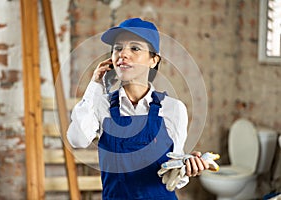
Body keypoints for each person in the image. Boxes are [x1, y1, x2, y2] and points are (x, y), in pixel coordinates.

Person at [67, 18, 209, 200]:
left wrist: (186, 166)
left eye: (135, 48)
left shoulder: (173, 108)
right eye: (117, 48)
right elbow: (76, 139)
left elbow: (173, 174)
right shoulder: (100, 104)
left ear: (153, 60)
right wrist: (95, 85)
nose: (123, 54)